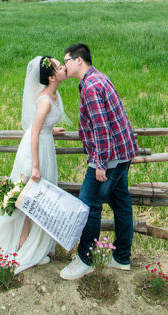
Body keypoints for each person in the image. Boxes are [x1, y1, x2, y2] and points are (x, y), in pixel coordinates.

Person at [0, 56, 68, 273]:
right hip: (35, 151)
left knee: (39, 200)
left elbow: (39, 125)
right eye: (60, 67)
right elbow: (33, 131)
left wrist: (50, 129)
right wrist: (35, 166)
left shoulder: (54, 94)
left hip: (44, 144)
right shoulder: (44, 100)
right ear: (51, 77)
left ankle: (32, 243)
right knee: (30, 199)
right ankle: (23, 245)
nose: (64, 68)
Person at [58, 43, 137, 281]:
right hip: (122, 154)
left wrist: (100, 163)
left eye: (67, 61)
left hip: (108, 158)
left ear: (79, 61)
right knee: (122, 204)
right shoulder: (98, 78)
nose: (65, 65)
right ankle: (121, 257)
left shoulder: (91, 87)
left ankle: (85, 260)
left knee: (88, 206)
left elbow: (102, 130)